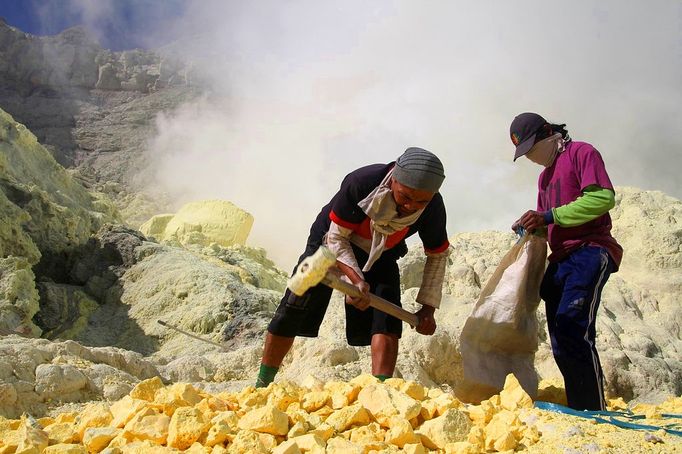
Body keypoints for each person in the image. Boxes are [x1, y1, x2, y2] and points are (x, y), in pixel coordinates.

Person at [256, 147, 450, 387]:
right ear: (394, 181)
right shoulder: (362, 182)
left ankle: (382, 390)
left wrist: (428, 309)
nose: (411, 206)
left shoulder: (432, 208)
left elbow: (438, 255)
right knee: (294, 306)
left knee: (387, 318)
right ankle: (263, 384)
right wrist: (355, 280)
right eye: (405, 197)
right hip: (331, 240)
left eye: (421, 200)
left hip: (381, 251)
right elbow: (336, 239)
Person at [509, 112, 623, 411]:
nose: (532, 157)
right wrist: (531, 226)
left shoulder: (581, 153)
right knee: (560, 337)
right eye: (526, 154)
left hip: (589, 249)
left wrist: (547, 216)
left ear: (549, 134)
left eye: (533, 149)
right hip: (560, 258)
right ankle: (579, 407)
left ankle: (593, 409)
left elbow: (602, 199)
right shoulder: (544, 178)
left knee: (574, 327)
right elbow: (549, 226)